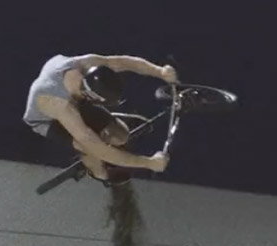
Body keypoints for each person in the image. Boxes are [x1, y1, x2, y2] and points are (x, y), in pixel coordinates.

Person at [23, 53, 178, 187]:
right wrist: (148, 163)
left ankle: (112, 123)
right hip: (47, 120)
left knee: (121, 136)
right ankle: (99, 174)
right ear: (91, 96)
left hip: (77, 101)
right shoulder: (57, 104)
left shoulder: (86, 64)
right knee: (87, 146)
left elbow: (124, 62)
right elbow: (94, 145)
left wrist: (160, 71)